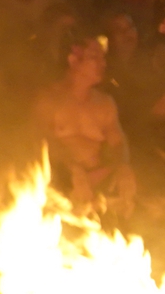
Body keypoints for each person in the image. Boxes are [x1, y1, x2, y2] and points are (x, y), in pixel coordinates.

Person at [32, 36, 136, 217]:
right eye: (94, 57)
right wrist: (74, 170)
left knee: (129, 187)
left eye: (103, 57)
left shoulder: (105, 102)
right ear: (73, 60)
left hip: (98, 180)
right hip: (60, 180)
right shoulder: (49, 99)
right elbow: (42, 141)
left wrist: (122, 167)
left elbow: (118, 143)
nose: (102, 63)